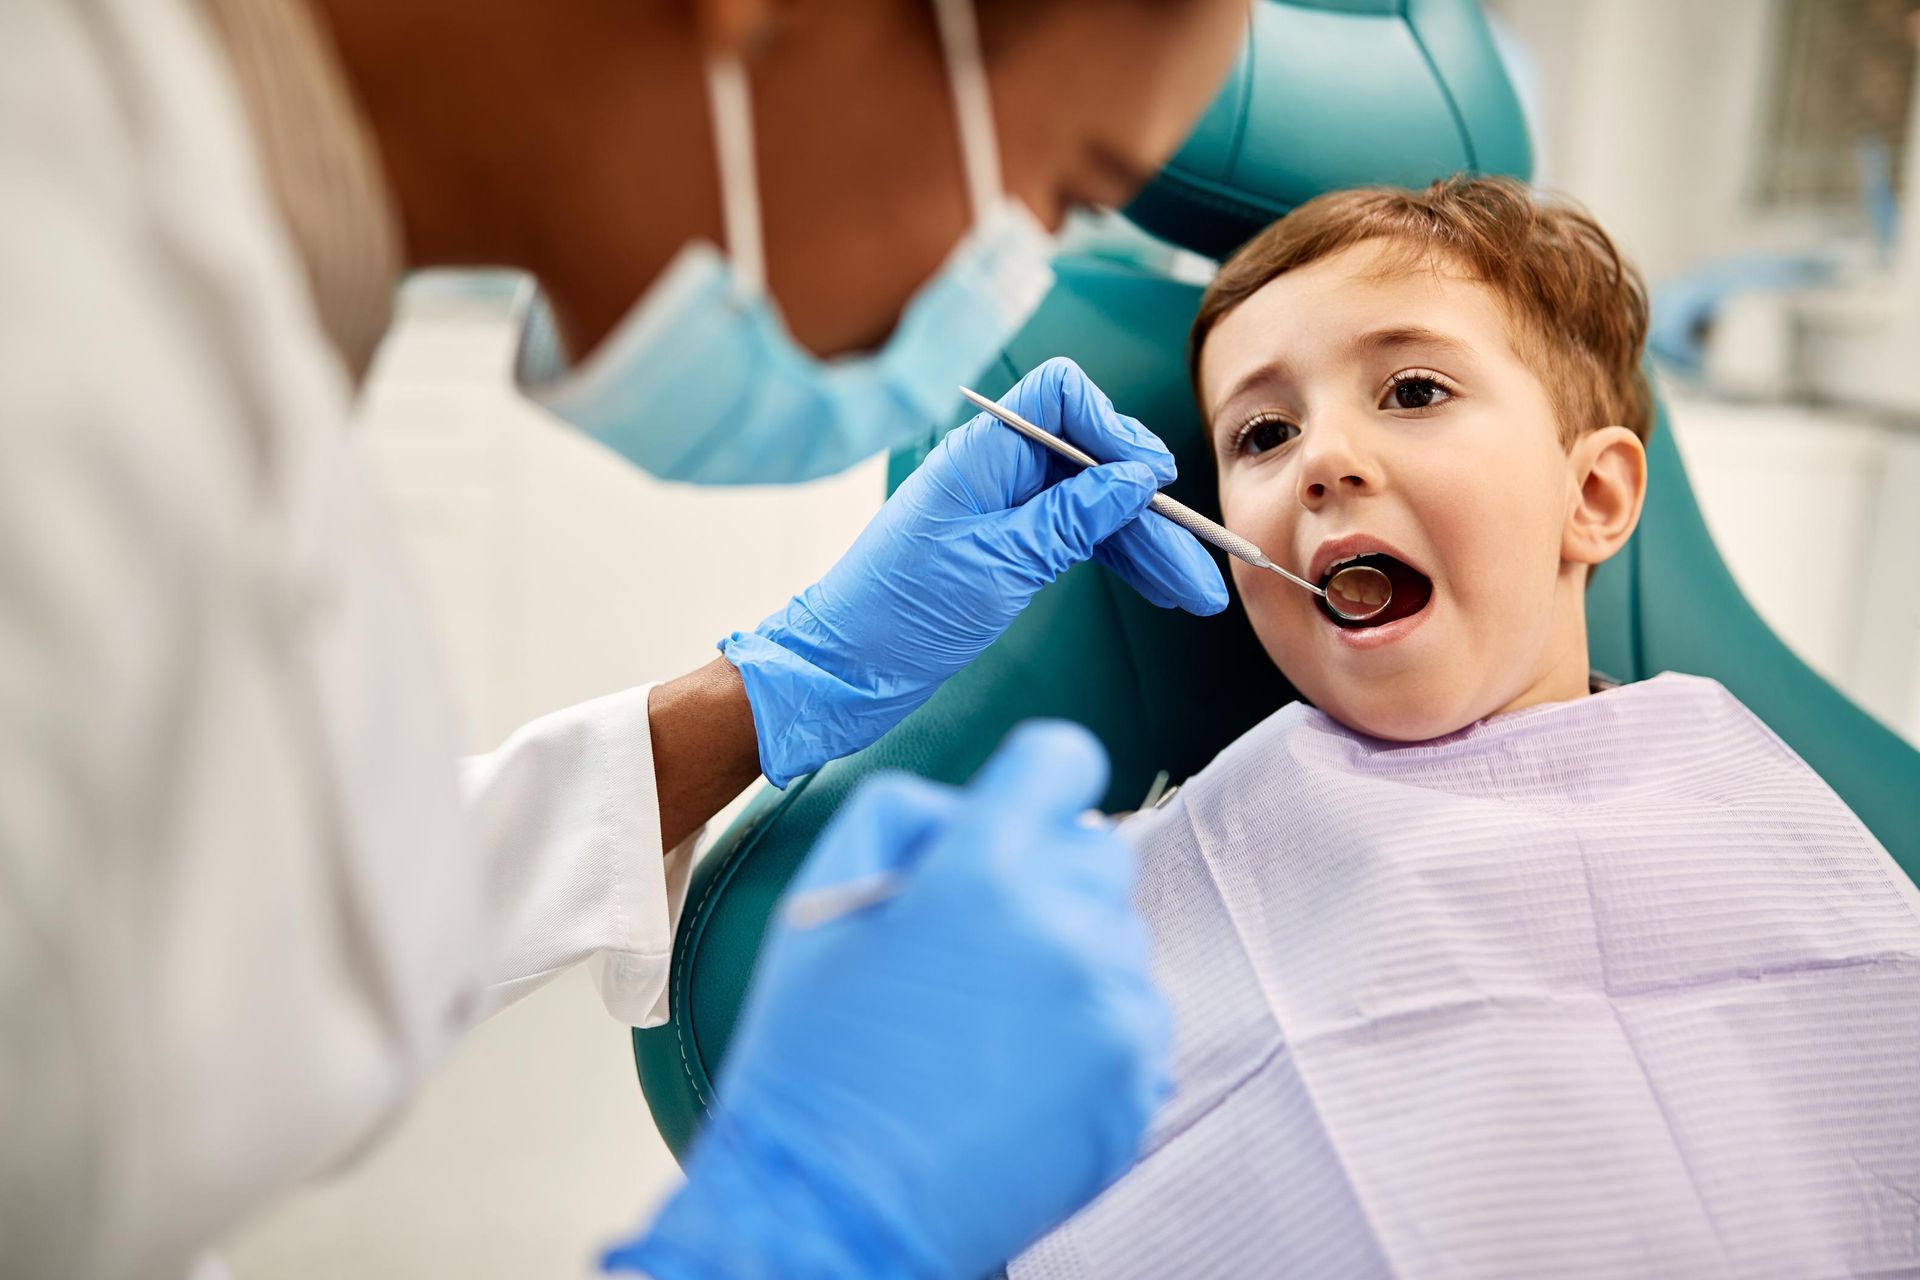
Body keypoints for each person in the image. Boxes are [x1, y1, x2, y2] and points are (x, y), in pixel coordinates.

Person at [0, 0, 1251, 1276]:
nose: (1014, 277)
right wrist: (791, 1235)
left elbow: (200, 946)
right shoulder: (57, 405)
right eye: (1057, 191)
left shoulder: (192, 272)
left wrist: (769, 694)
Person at [1011, 177, 1920, 1277]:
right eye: (1261, 431)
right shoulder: (1180, 857)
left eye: (1413, 388)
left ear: (1591, 499)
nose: (1323, 459)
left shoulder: (1742, 797)